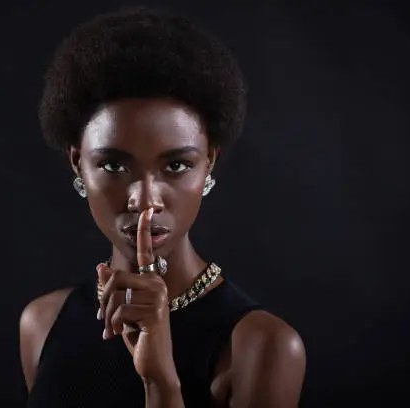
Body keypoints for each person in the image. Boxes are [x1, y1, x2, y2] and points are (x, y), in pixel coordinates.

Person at [19, 6, 306, 408]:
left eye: (176, 165)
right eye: (113, 165)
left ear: (209, 164)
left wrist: (161, 385)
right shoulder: (43, 324)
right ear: (77, 164)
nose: (144, 199)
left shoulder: (261, 348)